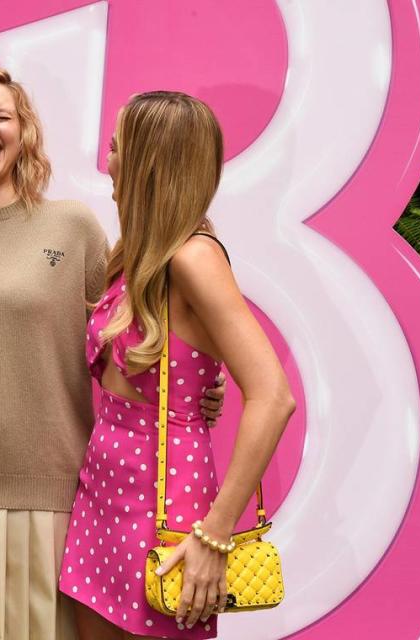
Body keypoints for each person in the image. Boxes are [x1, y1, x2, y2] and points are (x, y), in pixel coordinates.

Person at [0, 68, 225, 639]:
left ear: (23, 134)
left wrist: (193, 383)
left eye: (1, 115)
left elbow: (128, 333)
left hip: (50, 496)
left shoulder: (73, 229)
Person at [58, 91, 295, 640]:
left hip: (164, 499)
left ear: (146, 163)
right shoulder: (138, 254)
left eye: (117, 147)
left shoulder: (194, 257)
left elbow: (273, 395)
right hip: (102, 492)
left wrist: (215, 535)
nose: (108, 160)